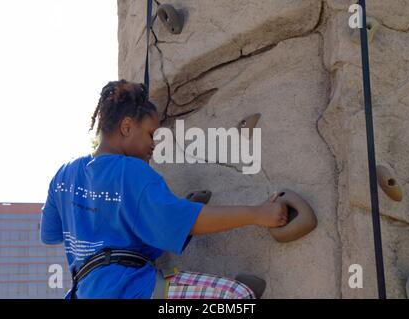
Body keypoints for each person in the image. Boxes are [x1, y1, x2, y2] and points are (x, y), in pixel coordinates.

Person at [40, 79, 288, 299]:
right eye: (151, 134)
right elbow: (183, 221)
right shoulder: (132, 171)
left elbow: (49, 234)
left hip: (84, 292)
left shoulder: (63, 175)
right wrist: (258, 214)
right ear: (126, 127)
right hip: (130, 290)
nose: (154, 145)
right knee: (236, 295)